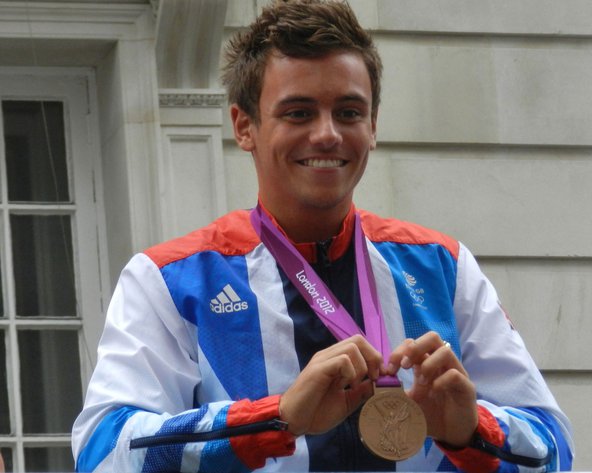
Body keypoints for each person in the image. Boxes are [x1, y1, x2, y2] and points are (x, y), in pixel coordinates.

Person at [71, 1, 574, 472]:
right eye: (299, 112)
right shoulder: (169, 279)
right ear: (244, 126)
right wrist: (275, 420)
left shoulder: (441, 265)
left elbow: (555, 447)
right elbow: (102, 452)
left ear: (373, 125)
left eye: (349, 112)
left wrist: (471, 430)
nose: (328, 134)